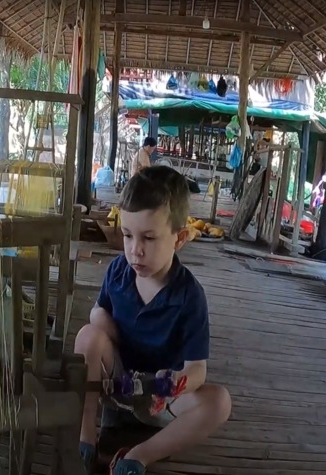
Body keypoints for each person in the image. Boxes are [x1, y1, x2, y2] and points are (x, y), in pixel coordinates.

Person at [75, 166, 231, 474]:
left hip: (163, 396)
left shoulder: (189, 296)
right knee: (88, 335)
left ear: (180, 238)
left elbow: (197, 369)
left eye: (149, 238)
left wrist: (177, 384)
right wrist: (109, 330)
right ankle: (85, 435)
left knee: (219, 403)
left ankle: (138, 456)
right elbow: (98, 312)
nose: (135, 250)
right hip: (117, 382)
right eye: (128, 235)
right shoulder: (119, 272)